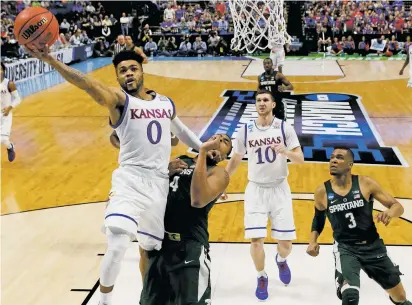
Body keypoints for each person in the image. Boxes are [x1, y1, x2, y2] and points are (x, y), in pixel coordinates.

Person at [24, 46, 205, 305]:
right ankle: (104, 301)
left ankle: (148, 296)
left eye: (132, 68)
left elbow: (183, 131)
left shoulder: (165, 103)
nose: (128, 74)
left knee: (150, 249)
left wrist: (205, 150)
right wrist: (52, 60)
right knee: (119, 242)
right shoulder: (119, 101)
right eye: (122, 71)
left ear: (142, 70)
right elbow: (87, 84)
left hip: (158, 183)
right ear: (117, 77)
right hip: (129, 181)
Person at [222, 89, 304, 301]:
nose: (261, 103)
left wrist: (285, 152)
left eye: (265, 100)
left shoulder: (285, 128)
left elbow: (300, 159)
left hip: (279, 189)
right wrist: (223, 183)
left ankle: (281, 260)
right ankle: (261, 276)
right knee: (256, 240)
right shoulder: (246, 130)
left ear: (273, 104)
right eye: (258, 100)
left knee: (286, 245)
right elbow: (235, 159)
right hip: (256, 190)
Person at [307, 147, 411, 305]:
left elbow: (397, 206)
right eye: (332, 157)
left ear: (350, 164)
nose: (333, 160)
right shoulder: (322, 192)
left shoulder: (365, 183)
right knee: (350, 296)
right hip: (345, 248)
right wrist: (312, 241)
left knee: (401, 298)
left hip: (373, 246)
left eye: (340, 157)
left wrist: (389, 213)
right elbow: (318, 219)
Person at [140, 134, 232, 305]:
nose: (218, 140)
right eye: (215, 137)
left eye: (224, 141)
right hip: (159, 245)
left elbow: (198, 200)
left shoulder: (219, 173)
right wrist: (163, 172)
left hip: (189, 247)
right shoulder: (180, 160)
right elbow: (147, 187)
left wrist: (202, 155)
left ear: (226, 156)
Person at [1, 62, 21, 162]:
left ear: (3, 71)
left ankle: (10, 147)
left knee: (3, 139)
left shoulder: (9, 83)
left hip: (5, 114)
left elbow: (18, 99)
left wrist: (9, 107)